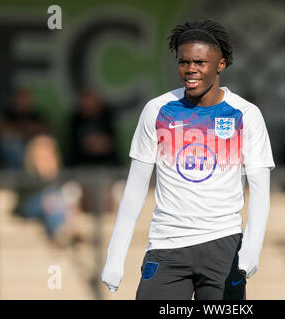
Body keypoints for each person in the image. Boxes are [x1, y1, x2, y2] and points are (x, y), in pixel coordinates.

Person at [101, 19, 275, 300]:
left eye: (200, 62)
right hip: (166, 245)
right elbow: (134, 191)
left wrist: (251, 249)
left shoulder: (246, 114)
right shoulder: (156, 110)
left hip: (224, 246)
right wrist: (115, 256)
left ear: (221, 64)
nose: (190, 70)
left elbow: (260, 192)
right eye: (183, 62)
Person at [0, 88, 47, 168]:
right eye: (20, 98)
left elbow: (45, 130)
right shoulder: (8, 114)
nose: (22, 101)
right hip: (15, 148)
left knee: (43, 146)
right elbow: (0, 131)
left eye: (25, 98)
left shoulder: (37, 115)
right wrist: (22, 131)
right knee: (12, 146)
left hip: (33, 145)